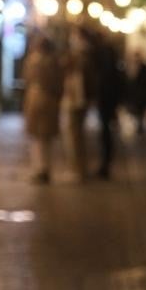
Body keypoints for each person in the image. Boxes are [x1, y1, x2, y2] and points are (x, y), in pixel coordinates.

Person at [21, 35, 64, 184]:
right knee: (45, 139)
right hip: (49, 102)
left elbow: (27, 79)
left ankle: (40, 169)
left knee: (37, 139)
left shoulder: (33, 61)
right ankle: (45, 168)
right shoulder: (54, 62)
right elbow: (58, 84)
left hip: (36, 101)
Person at [61, 27, 91, 181]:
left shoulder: (82, 55)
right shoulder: (82, 55)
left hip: (77, 100)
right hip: (76, 99)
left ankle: (78, 170)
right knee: (75, 135)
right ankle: (78, 168)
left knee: (75, 136)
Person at [93, 36, 124, 179]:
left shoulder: (108, 74)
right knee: (106, 135)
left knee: (106, 135)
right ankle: (105, 164)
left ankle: (105, 165)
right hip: (108, 106)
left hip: (107, 106)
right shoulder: (114, 71)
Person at [127, 49, 146, 136]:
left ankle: (140, 126)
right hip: (138, 94)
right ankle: (140, 126)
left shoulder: (144, 68)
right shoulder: (135, 67)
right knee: (139, 111)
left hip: (142, 94)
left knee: (141, 110)